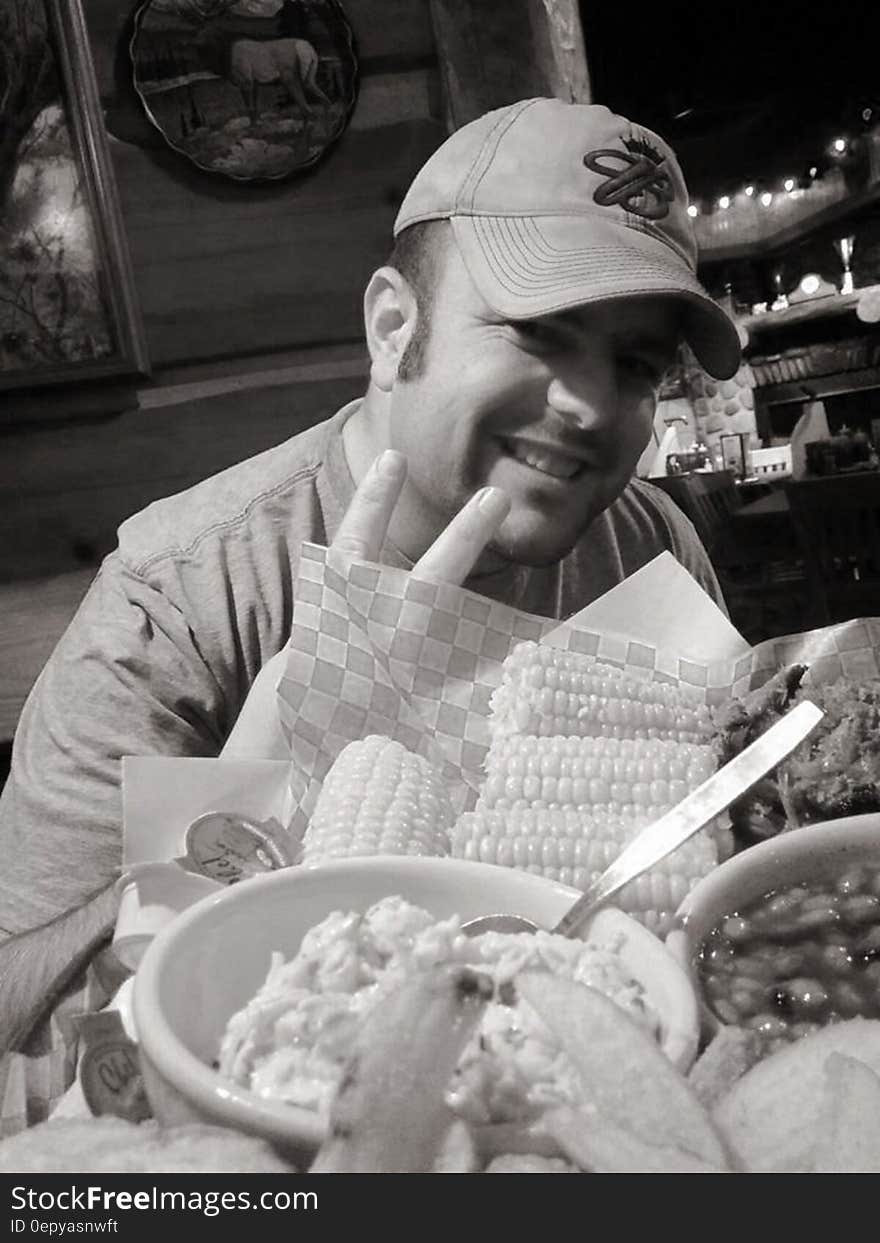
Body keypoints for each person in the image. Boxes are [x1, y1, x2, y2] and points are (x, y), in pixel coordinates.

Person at [0, 98, 739, 1066]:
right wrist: (255, 803)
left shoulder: (654, 544)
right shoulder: (180, 594)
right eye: (540, 332)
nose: (592, 406)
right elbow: (19, 1015)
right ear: (395, 326)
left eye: (634, 365)